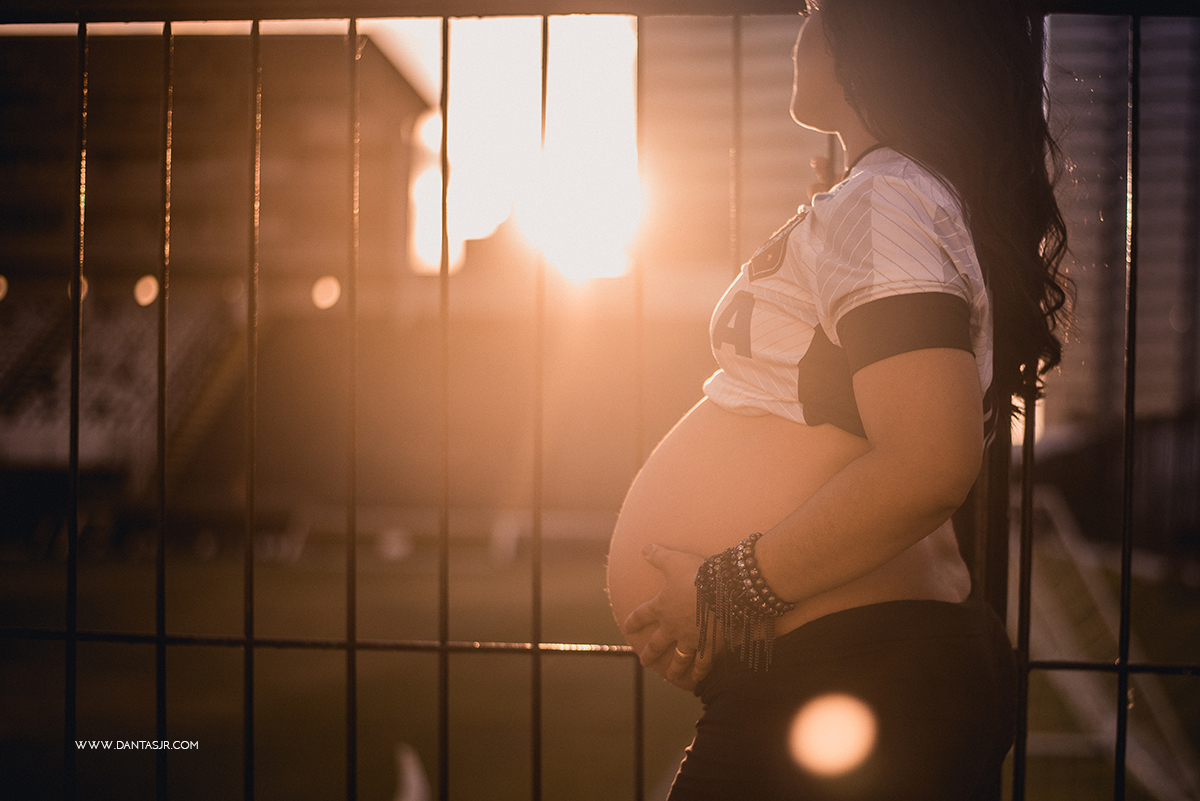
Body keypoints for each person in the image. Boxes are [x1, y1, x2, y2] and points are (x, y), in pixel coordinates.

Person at [604, 0, 1070, 798]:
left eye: (819, 9)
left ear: (879, 33)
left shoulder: (885, 203)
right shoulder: (889, 194)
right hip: (850, 668)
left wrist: (722, 593)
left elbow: (930, 461)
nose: (802, 24)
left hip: (857, 674)